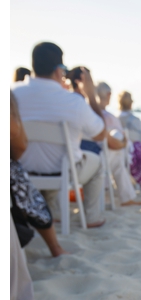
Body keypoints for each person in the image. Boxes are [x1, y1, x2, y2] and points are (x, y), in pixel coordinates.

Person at [13, 43, 108, 228]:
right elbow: (100, 134)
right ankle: (91, 217)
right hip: (65, 171)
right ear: (58, 71)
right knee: (97, 162)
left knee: (48, 155)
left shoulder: (12, 94)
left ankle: (53, 211)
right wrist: (90, 94)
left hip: (22, 170)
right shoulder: (73, 102)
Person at [11, 92, 65, 257]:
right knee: (17, 175)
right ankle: (55, 247)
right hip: (56, 170)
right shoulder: (67, 100)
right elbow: (19, 145)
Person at [96, 82, 141, 206]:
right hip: (98, 161)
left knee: (116, 155)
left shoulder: (87, 113)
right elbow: (120, 141)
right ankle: (127, 197)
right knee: (118, 158)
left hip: (79, 158)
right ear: (109, 95)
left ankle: (126, 196)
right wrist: (122, 144)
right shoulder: (108, 117)